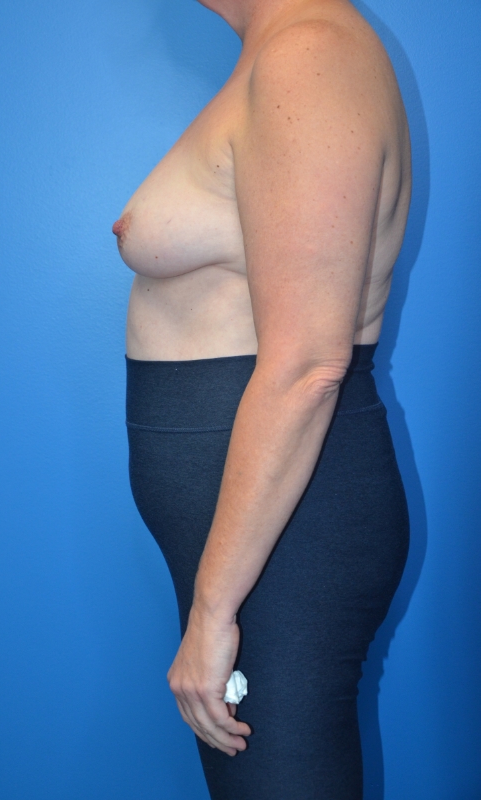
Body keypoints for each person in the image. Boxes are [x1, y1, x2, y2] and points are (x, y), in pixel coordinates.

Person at [113, 0, 411, 796]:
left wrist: (213, 613)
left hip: (289, 537)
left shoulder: (309, 54)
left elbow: (310, 364)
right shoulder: (284, 54)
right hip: (259, 541)